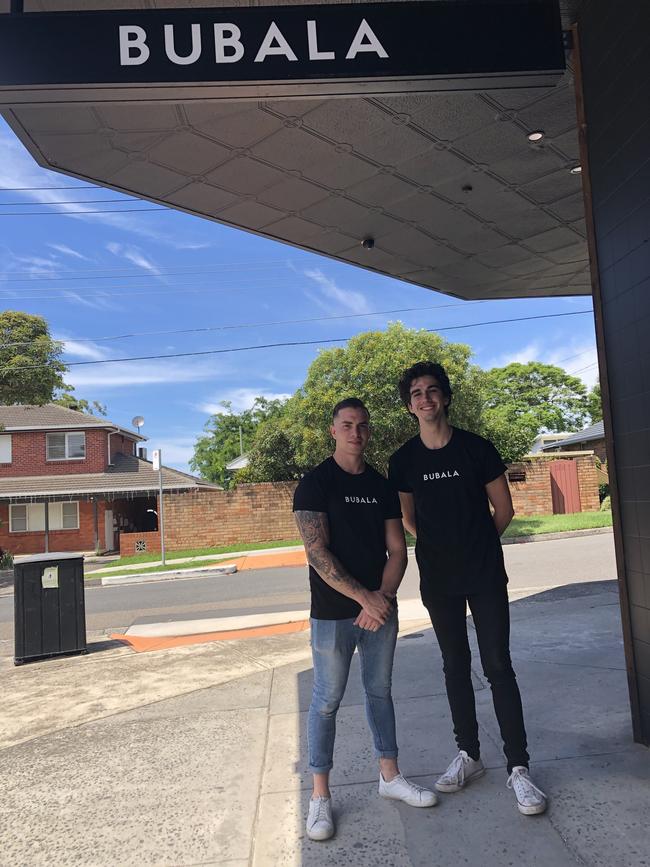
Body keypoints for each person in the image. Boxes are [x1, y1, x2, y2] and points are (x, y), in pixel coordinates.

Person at [388, 362, 547, 816]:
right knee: (454, 664)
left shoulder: (476, 449)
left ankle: (519, 768)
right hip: (439, 578)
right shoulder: (404, 461)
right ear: (410, 405)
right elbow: (409, 519)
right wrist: (444, 549)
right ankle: (469, 755)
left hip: (484, 573)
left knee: (498, 664)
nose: (425, 398)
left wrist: (475, 544)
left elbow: (504, 508)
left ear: (445, 397)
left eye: (433, 390)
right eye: (416, 393)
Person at [293, 397, 437, 842]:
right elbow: (317, 553)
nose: (356, 432)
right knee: (326, 700)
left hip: (381, 610)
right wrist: (364, 599)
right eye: (347, 425)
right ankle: (320, 796)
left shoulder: (381, 485)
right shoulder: (314, 483)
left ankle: (390, 776)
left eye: (362, 426)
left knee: (380, 692)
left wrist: (384, 598)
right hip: (334, 613)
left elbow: (398, 548)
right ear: (333, 430)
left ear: (368, 432)